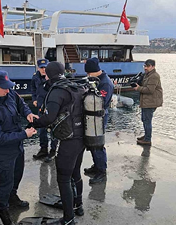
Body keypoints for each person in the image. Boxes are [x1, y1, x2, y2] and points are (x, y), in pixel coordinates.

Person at [0, 70, 38, 225]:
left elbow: (21, 104)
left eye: (8, 86)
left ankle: (13, 197)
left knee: (17, 174)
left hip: (17, 145)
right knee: (5, 180)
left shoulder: (8, 93)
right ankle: (3, 209)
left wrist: (28, 114)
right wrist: (24, 134)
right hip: (4, 151)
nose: (7, 89)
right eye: (4, 87)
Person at [31, 61, 85, 225]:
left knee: (63, 177)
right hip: (82, 137)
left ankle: (68, 219)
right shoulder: (75, 86)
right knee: (75, 172)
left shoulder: (57, 91)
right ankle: (78, 206)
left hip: (69, 140)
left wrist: (33, 123)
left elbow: (49, 118)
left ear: (47, 74)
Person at [83, 57, 114, 184]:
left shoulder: (105, 83)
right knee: (92, 142)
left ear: (94, 71)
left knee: (98, 144)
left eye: (89, 73)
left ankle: (102, 171)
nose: (87, 75)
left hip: (99, 116)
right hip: (92, 116)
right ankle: (96, 166)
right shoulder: (95, 80)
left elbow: (101, 102)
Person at [31, 59, 58, 162]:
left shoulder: (52, 78)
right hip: (41, 107)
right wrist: (34, 99)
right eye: (41, 68)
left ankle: (53, 150)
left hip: (51, 108)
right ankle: (43, 149)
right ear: (38, 68)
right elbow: (33, 89)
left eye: (45, 67)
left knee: (53, 130)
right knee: (41, 130)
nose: (43, 70)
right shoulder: (35, 77)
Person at [133, 59, 163, 145]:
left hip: (151, 102)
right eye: (145, 66)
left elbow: (150, 90)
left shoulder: (154, 76)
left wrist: (138, 88)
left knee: (147, 120)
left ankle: (147, 139)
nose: (145, 68)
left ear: (153, 66)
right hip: (147, 101)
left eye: (148, 66)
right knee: (144, 119)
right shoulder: (147, 75)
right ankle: (146, 135)